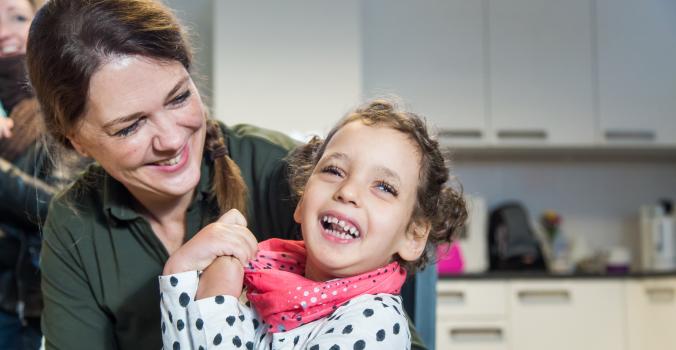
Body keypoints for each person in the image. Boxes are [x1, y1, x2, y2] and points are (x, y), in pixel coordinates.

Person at [25, 1, 427, 349]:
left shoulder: (283, 172)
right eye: (130, 126)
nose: (169, 139)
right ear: (76, 139)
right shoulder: (74, 224)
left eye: (179, 97)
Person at [160, 100, 468, 349]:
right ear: (302, 200)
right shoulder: (267, 287)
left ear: (413, 237)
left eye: (384, 187)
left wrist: (218, 300)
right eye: (334, 170)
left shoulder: (375, 323)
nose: (347, 192)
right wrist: (181, 270)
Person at [0, 0, 56, 349]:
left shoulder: (61, 112)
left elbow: (62, 208)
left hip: (22, 309)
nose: (3, 32)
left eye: (17, 17)